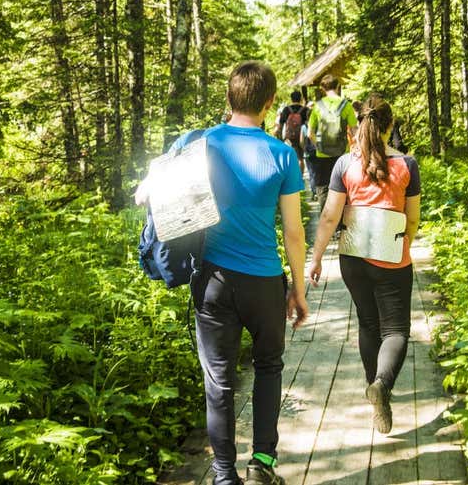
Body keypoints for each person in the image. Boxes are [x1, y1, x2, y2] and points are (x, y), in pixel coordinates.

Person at [144, 61, 308, 485]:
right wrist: (299, 290)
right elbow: (293, 232)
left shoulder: (197, 143)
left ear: (229, 98)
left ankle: (222, 475)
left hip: (213, 281)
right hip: (265, 283)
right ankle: (262, 465)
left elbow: (149, 192)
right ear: (270, 103)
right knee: (269, 366)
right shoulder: (283, 154)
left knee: (219, 380)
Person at [307, 93, 421, 435]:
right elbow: (412, 219)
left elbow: (329, 216)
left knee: (369, 325)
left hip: (353, 258)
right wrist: (402, 248)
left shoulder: (345, 165)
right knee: (397, 330)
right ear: (389, 128)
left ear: (359, 127)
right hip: (391, 257)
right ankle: (382, 386)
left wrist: (315, 259)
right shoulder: (406, 165)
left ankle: (375, 391)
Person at [307, 74, 358, 213]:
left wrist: (317, 145)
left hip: (322, 154)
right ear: (337, 86)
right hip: (342, 154)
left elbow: (309, 133)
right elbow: (355, 130)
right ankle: (341, 222)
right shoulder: (346, 105)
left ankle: (326, 218)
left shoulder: (317, 106)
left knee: (323, 187)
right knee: (342, 186)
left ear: (323, 88)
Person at [274, 91, 309, 174]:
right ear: (300, 98)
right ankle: (300, 178)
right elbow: (309, 125)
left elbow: (281, 124)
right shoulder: (305, 110)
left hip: (289, 137)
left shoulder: (286, 109)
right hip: (301, 137)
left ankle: (290, 176)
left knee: (289, 156)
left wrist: (280, 139)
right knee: (300, 158)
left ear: (291, 98)